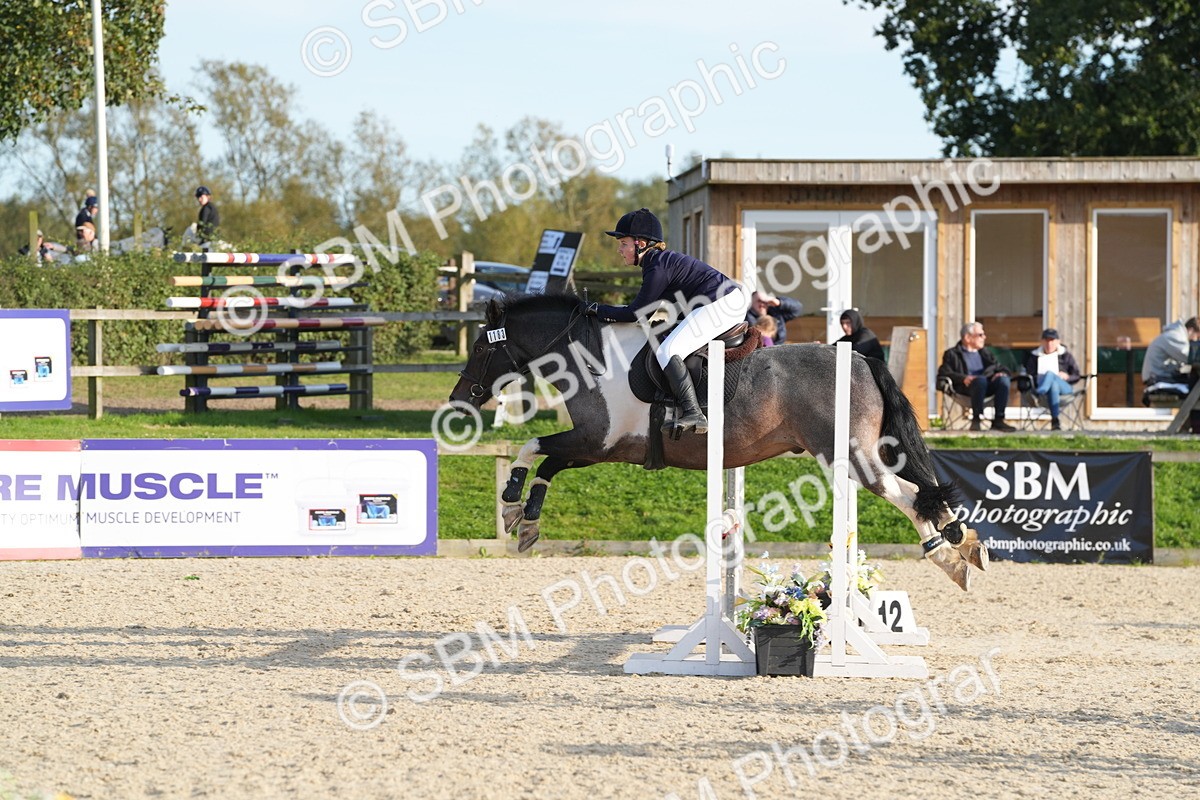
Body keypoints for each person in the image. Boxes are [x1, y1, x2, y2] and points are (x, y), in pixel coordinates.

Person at [587, 207, 750, 437]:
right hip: (725, 302)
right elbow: (647, 312)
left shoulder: (657, 266)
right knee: (669, 340)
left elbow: (636, 314)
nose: (619, 249)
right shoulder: (658, 262)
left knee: (668, 350)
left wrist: (597, 310)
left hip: (721, 304)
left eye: (623, 243)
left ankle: (694, 412)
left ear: (641, 243)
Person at [938, 321, 1016, 432]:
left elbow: (1000, 367)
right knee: (980, 381)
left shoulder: (985, 353)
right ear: (968, 337)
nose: (984, 337)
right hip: (965, 389)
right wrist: (963, 378)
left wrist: (1001, 373)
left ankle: (999, 420)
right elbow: (944, 372)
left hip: (987, 388)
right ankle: (976, 419)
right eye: (980, 335)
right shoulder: (952, 354)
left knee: (1003, 380)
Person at [1022, 328, 1082, 431]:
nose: (1049, 343)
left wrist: (1067, 376)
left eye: (1052, 340)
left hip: (1064, 389)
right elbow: (1029, 374)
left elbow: (1077, 375)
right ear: (1042, 341)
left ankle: (1039, 392)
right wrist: (1041, 377)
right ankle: (1055, 421)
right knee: (1053, 384)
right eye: (1046, 340)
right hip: (1047, 388)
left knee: (1051, 375)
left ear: (1058, 342)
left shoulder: (1065, 356)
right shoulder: (1034, 357)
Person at [1141, 317, 1200, 386]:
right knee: (1194, 382)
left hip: (1160, 374)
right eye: (1197, 337)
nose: (1196, 341)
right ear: (1191, 330)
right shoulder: (1175, 336)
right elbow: (1190, 356)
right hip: (1156, 377)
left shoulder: (1174, 334)